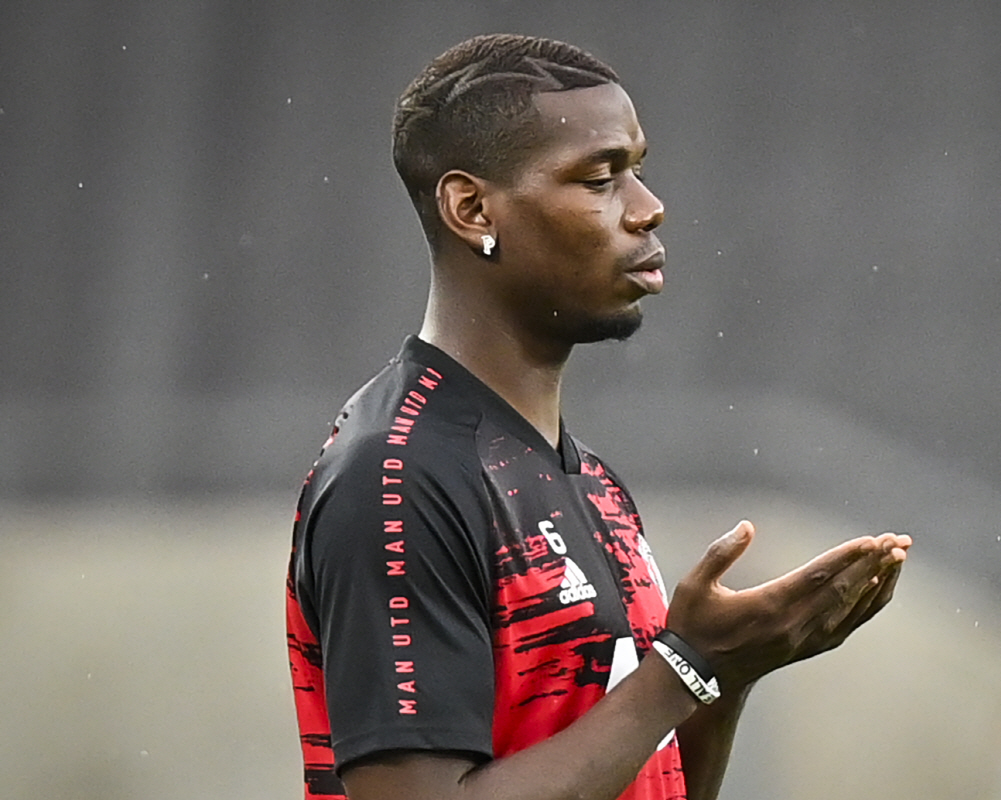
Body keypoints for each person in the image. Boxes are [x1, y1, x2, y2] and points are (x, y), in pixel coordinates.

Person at [285, 33, 911, 800]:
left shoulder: (592, 483)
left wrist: (724, 674)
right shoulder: (401, 475)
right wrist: (682, 669)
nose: (648, 209)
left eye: (637, 171)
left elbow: (648, 781)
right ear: (472, 208)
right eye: (599, 178)